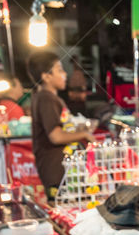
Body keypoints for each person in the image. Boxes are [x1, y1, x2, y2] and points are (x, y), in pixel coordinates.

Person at [28, 52, 96, 201]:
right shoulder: (47, 98)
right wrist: (84, 134)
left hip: (62, 173)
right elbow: (55, 136)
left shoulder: (47, 97)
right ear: (46, 76)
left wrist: (80, 128)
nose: (65, 74)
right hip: (56, 172)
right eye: (59, 70)